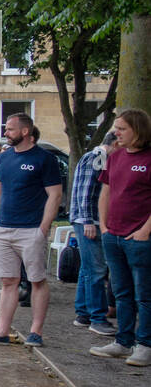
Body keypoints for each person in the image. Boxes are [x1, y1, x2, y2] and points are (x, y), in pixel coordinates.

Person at [0, 112, 63, 347]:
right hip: (3, 229)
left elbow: (55, 195)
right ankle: (1, 331)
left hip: (31, 229)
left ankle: (36, 332)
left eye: (10, 129)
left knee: (37, 280)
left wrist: (43, 227)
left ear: (25, 132)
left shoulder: (44, 159)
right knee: (8, 281)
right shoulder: (3, 158)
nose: (5, 133)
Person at [90, 109, 151, 367]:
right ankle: (123, 341)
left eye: (122, 128)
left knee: (144, 294)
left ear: (138, 130)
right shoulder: (115, 158)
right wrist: (103, 225)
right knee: (120, 292)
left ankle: (145, 344)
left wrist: (146, 230)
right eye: (116, 128)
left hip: (139, 236)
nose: (116, 132)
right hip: (112, 234)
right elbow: (106, 191)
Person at [70, 133, 116, 335]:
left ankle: (83, 312)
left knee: (88, 268)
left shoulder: (96, 157)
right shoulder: (97, 158)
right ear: (113, 144)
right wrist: (88, 220)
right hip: (90, 221)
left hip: (89, 220)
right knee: (96, 270)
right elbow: (86, 191)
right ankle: (97, 317)